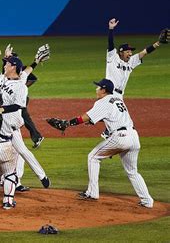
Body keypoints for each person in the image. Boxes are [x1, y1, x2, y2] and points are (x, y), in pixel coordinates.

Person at [47, 79, 153, 208]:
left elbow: (85, 117)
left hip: (120, 138)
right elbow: (112, 116)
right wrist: (97, 120)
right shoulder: (117, 99)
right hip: (134, 137)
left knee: (93, 157)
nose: (96, 89)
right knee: (132, 171)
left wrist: (67, 123)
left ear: (103, 90)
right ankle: (147, 201)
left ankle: (92, 193)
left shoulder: (103, 102)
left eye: (98, 87)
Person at [0, 53, 50, 192]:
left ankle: (42, 177)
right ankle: (0, 176)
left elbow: (19, 105)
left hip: (11, 128)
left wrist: (1, 110)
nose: (4, 65)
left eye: (7, 63)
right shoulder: (0, 78)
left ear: (14, 67)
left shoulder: (21, 85)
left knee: (22, 152)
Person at [106, 18, 162, 97]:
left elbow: (145, 52)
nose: (130, 53)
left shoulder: (131, 61)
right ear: (121, 52)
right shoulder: (112, 58)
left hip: (120, 95)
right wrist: (111, 28)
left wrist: (158, 43)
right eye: (127, 52)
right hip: (109, 93)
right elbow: (110, 43)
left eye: (131, 52)